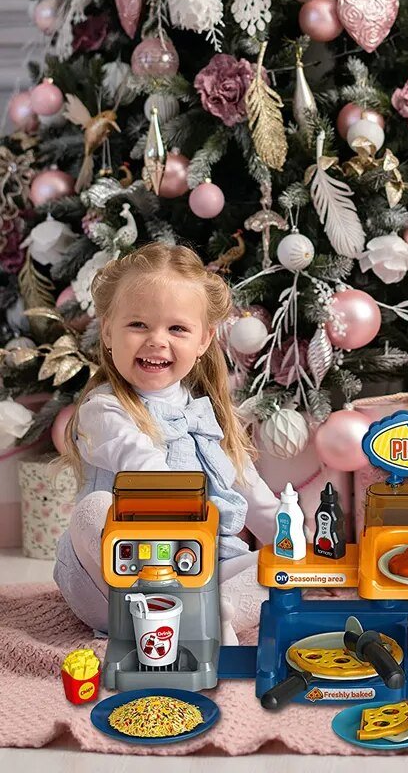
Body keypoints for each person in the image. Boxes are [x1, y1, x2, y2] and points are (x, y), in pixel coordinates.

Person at [53, 242, 279, 643]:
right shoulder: (104, 410)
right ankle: (178, 616)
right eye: (138, 325)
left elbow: (249, 488)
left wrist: (295, 544)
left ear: (204, 340)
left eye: (177, 328)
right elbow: (145, 468)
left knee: (280, 568)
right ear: (107, 331)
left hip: (197, 564)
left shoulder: (205, 414)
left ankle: (206, 614)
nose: (157, 340)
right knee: (94, 510)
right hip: (118, 576)